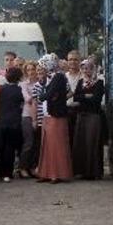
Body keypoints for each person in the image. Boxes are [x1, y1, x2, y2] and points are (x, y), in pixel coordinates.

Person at [35, 53, 73, 183]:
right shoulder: (51, 77)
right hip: (49, 115)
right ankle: (46, 173)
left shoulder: (59, 77)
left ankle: (56, 174)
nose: (42, 68)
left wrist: (41, 96)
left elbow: (49, 94)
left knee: (56, 146)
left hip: (57, 115)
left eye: (43, 66)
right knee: (47, 146)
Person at [72, 60, 106, 180]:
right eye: (84, 69)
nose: (86, 71)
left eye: (88, 68)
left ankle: (93, 172)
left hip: (93, 116)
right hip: (81, 115)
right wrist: (87, 96)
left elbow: (96, 99)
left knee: (92, 143)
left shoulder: (99, 82)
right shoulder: (81, 82)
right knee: (81, 143)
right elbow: (76, 96)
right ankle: (81, 171)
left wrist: (83, 97)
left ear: (93, 69)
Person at [0, 67, 25, 182]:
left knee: (0, 148)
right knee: (10, 148)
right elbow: (22, 105)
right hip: (14, 122)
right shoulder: (19, 90)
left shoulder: (1, 89)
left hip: (0, 121)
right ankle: (8, 172)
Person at [18, 62, 39, 178]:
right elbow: (28, 99)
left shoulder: (39, 83)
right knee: (29, 142)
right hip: (27, 115)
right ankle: (22, 167)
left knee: (37, 143)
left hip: (40, 115)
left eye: (33, 69)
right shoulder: (23, 84)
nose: (31, 72)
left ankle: (32, 166)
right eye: (29, 70)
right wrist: (37, 96)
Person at [30, 64, 49, 175]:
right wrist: (34, 120)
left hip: (51, 117)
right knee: (39, 145)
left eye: (42, 71)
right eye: (38, 72)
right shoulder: (36, 86)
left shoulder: (51, 83)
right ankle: (39, 168)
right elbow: (34, 103)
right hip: (41, 119)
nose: (40, 74)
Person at [65, 50, 82, 148]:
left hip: (80, 110)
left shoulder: (83, 76)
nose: (73, 62)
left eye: (75, 59)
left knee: (79, 139)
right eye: (70, 59)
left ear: (79, 61)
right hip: (66, 110)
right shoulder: (63, 76)